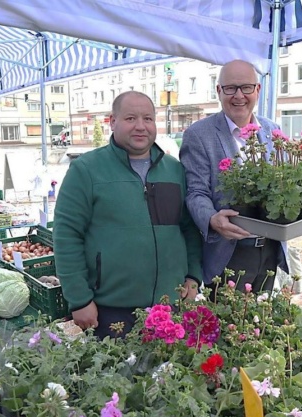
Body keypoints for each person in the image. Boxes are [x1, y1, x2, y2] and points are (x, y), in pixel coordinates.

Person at [53, 91, 203, 339]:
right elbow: (67, 236)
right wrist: (79, 299)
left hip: (170, 308)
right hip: (110, 311)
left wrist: (193, 276)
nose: (141, 127)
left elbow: (188, 228)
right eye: (131, 118)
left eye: (148, 119)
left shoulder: (174, 171)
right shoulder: (87, 170)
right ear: (113, 122)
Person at [180, 59, 286, 294]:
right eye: (230, 88)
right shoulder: (199, 134)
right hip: (228, 254)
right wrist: (211, 219)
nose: (239, 95)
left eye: (246, 87)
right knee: (229, 326)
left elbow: (284, 183)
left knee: (265, 323)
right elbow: (195, 191)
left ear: (257, 90)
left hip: (271, 249)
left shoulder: (273, 131)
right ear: (219, 91)